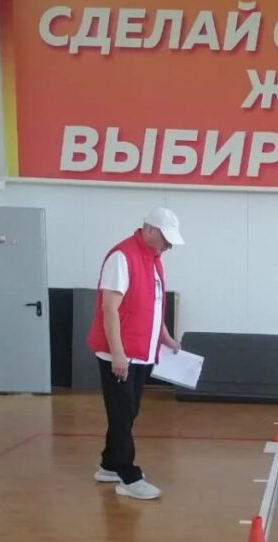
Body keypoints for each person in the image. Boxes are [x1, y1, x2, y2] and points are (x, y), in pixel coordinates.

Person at [86, 207, 183, 500]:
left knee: (127, 412)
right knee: (121, 413)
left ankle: (109, 465)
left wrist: (165, 336)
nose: (168, 246)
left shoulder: (153, 261)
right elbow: (109, 308)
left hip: (142, 352)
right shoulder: (122, 257)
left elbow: (152, 305)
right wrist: (118, 354)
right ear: (150, 230)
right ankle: (129, 476)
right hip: (121, 354)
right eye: (166, 240)